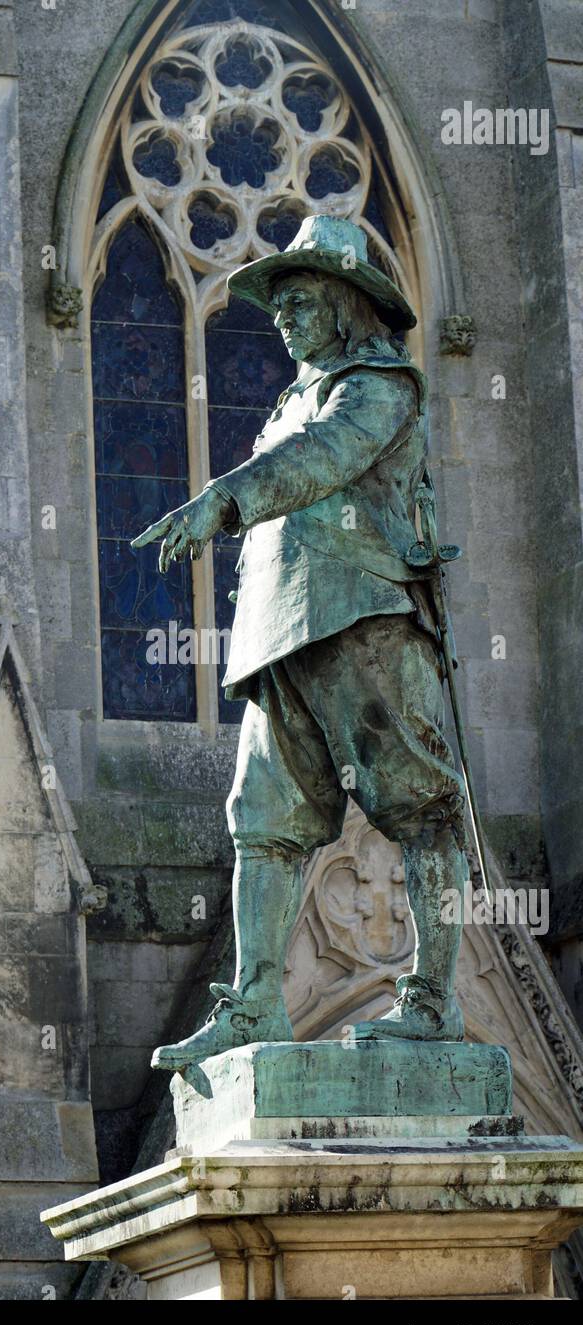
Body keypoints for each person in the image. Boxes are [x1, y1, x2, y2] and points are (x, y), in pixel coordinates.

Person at [132, 215, 468, 1069]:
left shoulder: (381, 385)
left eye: (299, 299)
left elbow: (323, 460)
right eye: (276, 303)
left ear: (345, 304)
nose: (281, 317)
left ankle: (429, 1003)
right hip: (280, 635)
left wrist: (220, 499)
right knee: (263, 823)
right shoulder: (289, 401)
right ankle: (252, 1006)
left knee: (420, 811)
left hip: (365, 619)